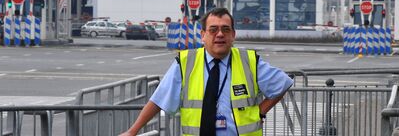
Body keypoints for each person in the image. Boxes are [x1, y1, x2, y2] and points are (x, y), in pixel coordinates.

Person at [120, 8, 293, 136]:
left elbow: (282, 83)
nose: (219, 34)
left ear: (233, 35)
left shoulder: (249, 61)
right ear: (203, 35)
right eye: (213, 30)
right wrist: (132, 131)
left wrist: (260, 112)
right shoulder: (186, 62)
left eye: (225, 30)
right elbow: (158, 100)